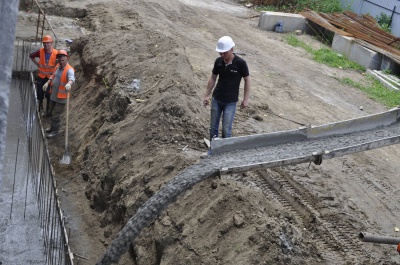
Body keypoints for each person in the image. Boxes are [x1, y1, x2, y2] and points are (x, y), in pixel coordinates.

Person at [203, 36, 251, 143]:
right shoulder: (218, 62)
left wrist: (246, 99)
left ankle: (225, 151)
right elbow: (213, 78)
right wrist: (207, 95)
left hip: (231, 102)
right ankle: (213, 149)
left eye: (224, 53)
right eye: (220, 53)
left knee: (226, 129)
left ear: (232, 49)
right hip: (217, 99)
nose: (222, 55)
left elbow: (247, 80)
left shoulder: (240, 63)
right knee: (213, 127)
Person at [43, 49, 75, 139]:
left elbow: (71, 78)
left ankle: (55, 131)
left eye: (63, 60)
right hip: (54, 95)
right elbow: (53, 76)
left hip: (61, 97)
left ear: (67, 59)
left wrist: (69, 84)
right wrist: (47, 83)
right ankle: (52, 128)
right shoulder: (57, 66)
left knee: (56, 114)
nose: (61, 62)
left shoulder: (69, 70)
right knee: (51, 112)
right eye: (60, 60)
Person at [29, 35, 58, 116]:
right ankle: (40, 106)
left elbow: (60, 63)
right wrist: (37, 64)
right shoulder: (40, 51)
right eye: (44, 43)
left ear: (51, 43)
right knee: (40, 93)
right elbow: (31, 56)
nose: (46, 45)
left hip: (50, 78)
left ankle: (48, 109)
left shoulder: (56, 53)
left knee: (49, 94)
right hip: (41, 77)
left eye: (48, 43)